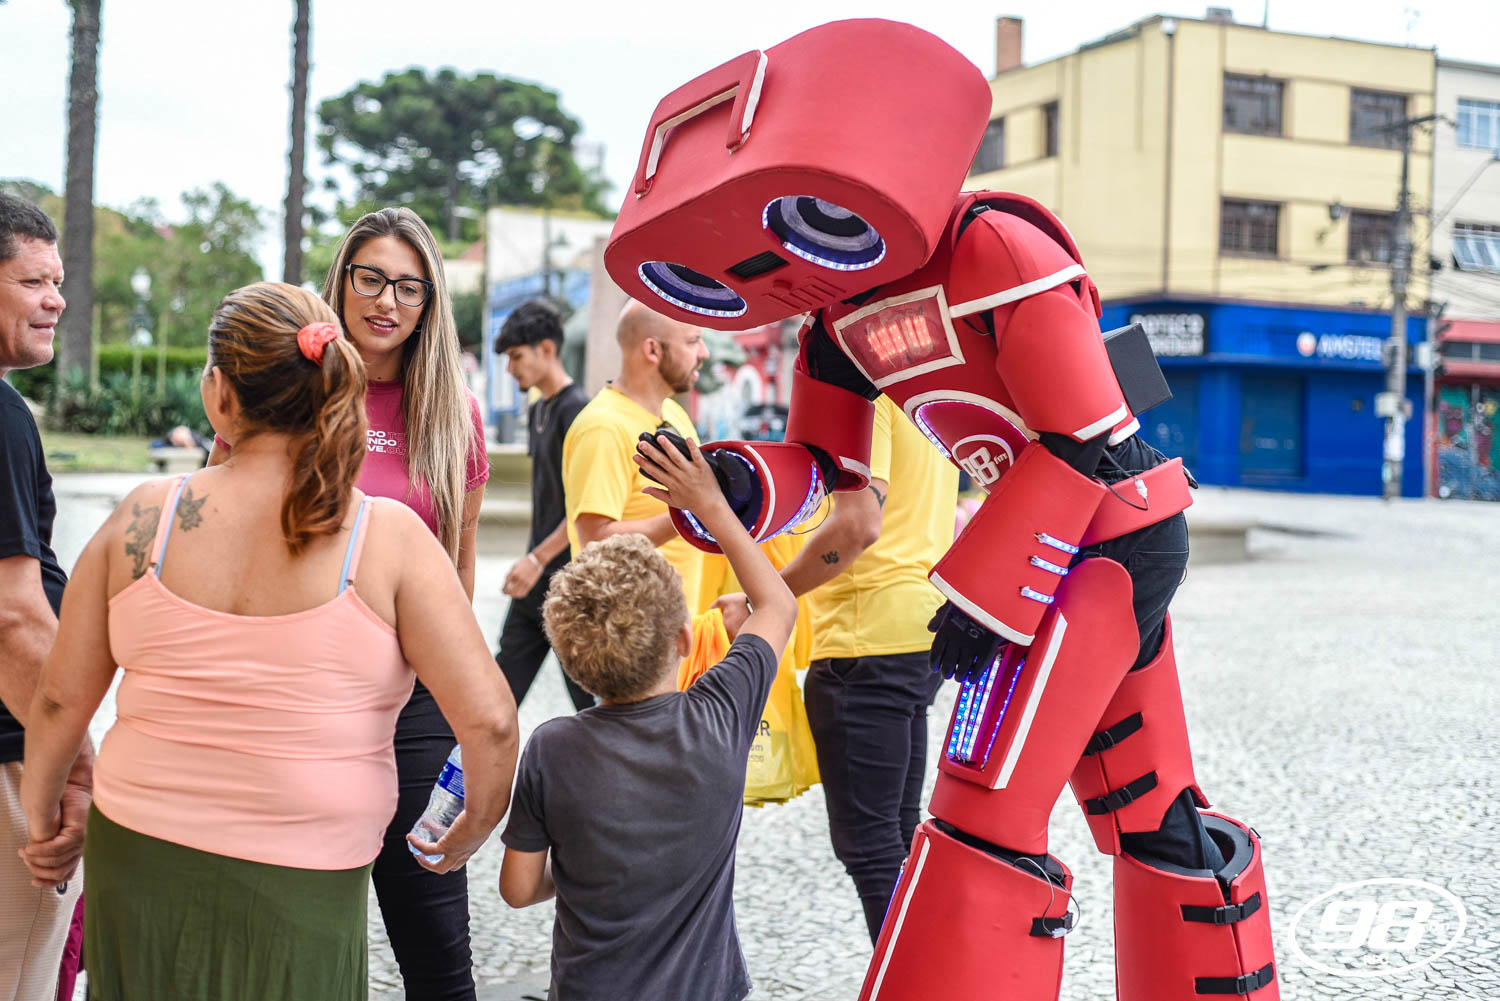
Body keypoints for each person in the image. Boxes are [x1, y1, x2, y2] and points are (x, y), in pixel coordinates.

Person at [19, 282, 518, 1001]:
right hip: (308, 873)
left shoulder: (143, 521)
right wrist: (470, 829)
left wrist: (45, 823)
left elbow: (59, 700)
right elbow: (492, 722)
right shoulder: (388, 539)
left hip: (139, 851)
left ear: (219, 395)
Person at [208, 207, 493, 999]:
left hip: (415, 701)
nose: (387, 301)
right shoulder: (285, 393)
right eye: (371, 278)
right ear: (341, 283)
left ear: (429, 303)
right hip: (300, 698)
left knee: (438, 951)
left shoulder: (455, 413)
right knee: (289, 948)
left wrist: (463, 712)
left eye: (408, 286)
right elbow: (218, 529)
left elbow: (459, 575)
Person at [498, 433, 797, 1001]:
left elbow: (517, 888)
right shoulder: (719, 712)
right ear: (685, 639)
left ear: (572, 659)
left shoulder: (552, 747)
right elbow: (777, 605)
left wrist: (587, 865)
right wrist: (710, 506)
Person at [716, 395, 959, 941]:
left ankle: (908, 978)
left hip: (863, 635)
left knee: (870, 847)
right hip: (917, 626)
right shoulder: (916, 392)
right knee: (898, 836)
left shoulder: (865, 400)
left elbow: (857, 526)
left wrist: (763, 599)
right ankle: (928, 971)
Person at [0, 192, 87, 1001]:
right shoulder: (2, 416)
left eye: (57, 281)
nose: (55, 300)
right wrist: (76, 767)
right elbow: (13, 617)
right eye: (33, 282)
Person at [561, 298, 710, 616]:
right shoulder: (603, 427)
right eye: (693, 341)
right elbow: (595, 542)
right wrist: (691, 514)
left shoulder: (674, 413)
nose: (704, 353)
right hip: (628, 631)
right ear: (652, 350)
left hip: (677, 626)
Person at [494, 300, 592, 712]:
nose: (510, 368)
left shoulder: (579, 411)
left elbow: (587, 507)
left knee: (591, 701)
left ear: (547, 349)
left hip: (572, 584)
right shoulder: (538, 410)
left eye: (516, 356)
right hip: (537, 580)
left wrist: (537, 558)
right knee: (498, 694)